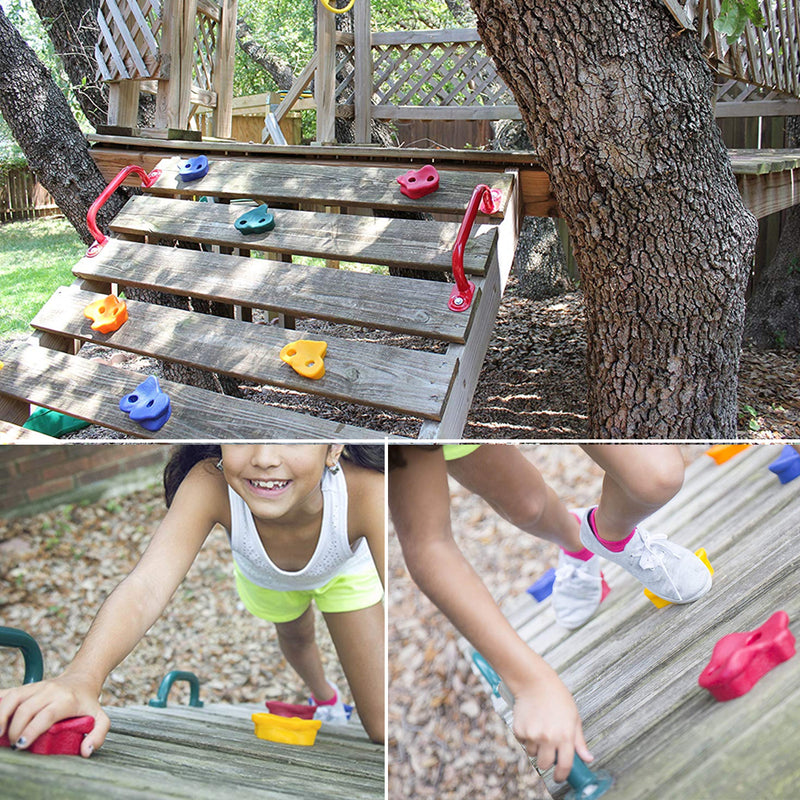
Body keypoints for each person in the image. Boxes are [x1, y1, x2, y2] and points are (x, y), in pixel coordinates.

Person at [0, 443, 386, 756]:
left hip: (344, 572)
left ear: (334, 448)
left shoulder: (366, 489)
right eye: (241, 436)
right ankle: (325, 698)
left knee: (384, 727)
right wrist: (81, 679)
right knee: (297, 638)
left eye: (291, 439)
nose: (264, 459)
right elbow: (147, 584)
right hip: (267, 576)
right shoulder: (209, 480)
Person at [387, 443, 711, 783]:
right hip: (443, 431)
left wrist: (530, 682)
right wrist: (531, 682)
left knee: (656, 477)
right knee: (527, 506)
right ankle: (579, 544)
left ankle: (609, 534)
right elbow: (428, 542)